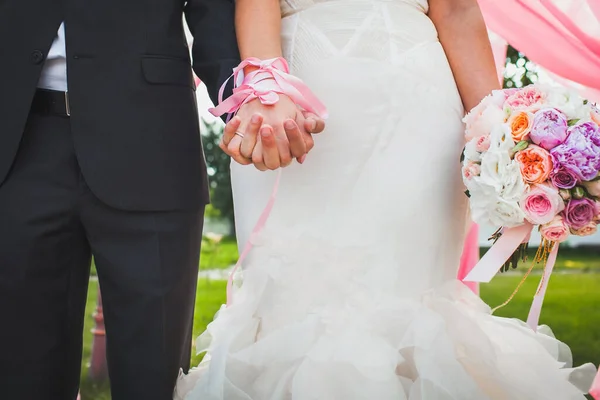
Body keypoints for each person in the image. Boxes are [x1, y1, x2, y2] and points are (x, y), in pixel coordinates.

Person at [176, 0, 597, 398]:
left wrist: (501, 137)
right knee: (289, 303)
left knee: (413, 299)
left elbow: (455, 9)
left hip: (419, 102)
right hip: (295, 101)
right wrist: (267, 88)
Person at [0, 1, 324, 399]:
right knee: (21, 374)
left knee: (152, 376)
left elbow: (212, 10)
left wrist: (249, 103)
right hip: (17, 146)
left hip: (150, 141)